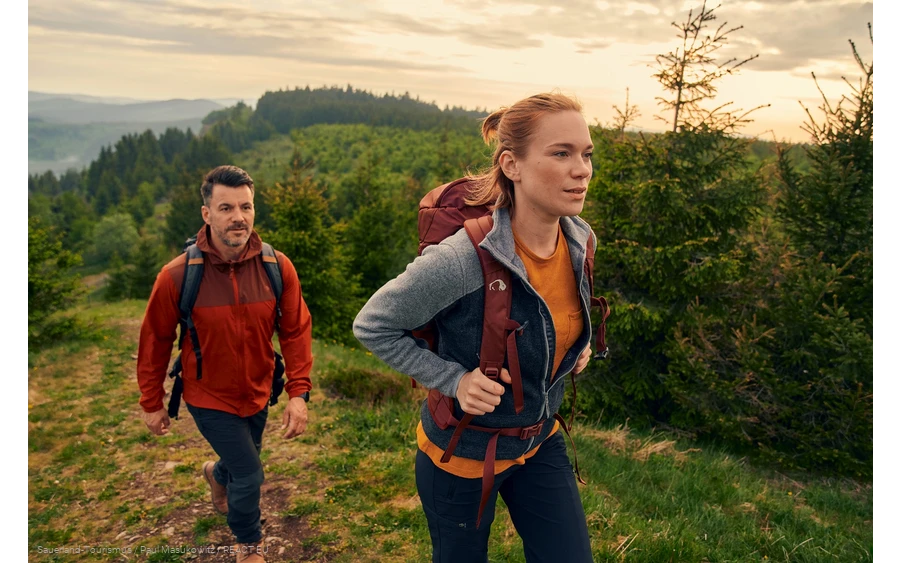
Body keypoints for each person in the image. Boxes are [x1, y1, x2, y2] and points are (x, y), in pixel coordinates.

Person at [352, 92, 597, 562]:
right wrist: (454, 380)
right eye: (561, 153)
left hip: (537, 440)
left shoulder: (580, 238)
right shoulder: (465, 258)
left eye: (586, 154)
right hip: (461, 456)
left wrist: (573, 348)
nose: (581, 169)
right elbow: (373, 325)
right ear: (512, 164)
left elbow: (555, 317)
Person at [136, 165, 314, 563]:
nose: (238, 216)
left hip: (258, 390)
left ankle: (215, 475)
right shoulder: (178, 275)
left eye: (246, 206)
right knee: (250, 474)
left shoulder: (276, 267)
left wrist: (298, 393)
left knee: (239, 464)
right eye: (226, 207)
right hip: (207, 395)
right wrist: (152, 402)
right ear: (207, 214)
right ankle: (248, 546)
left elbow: (296, 330)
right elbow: (155, 342)